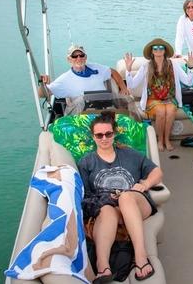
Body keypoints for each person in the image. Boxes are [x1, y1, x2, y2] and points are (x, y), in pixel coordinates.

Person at [78, 111, 163, 283]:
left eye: (108, 134)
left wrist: (144, 185)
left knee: (126, 198)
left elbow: (157, 172)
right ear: (93, 136)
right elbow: (85, 196)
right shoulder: (86, 163)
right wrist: (106, 201)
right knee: (107, 210)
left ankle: (141, 257)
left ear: (114, 134)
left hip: (136, 204)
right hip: (108, 210)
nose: (104, 138)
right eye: (99, 135)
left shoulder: (130, 155)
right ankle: (103, 267)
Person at [124, 38, 193, 152]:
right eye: (155, 48)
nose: (158, 50)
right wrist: (128, 69)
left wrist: (191, 67)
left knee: (171, 110)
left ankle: (167, 140)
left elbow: (188, 82)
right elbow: (132, 85)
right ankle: (160, 140)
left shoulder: (173, 64)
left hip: (170, 98)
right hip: (152, 98)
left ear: (165, 51)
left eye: (161, 48)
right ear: (152, 51)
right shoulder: (146, 66)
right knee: (161, 111)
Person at [39, 44, 130, 115]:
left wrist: (123, 88)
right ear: (69, 59)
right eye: (74, 56)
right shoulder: (64, 79)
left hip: (105, 112)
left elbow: (113, 72)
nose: (78, 58)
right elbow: (43, 94)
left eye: (81, 55)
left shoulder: (97, 68)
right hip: (82, 116)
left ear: (85, 57)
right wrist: (42, 84)